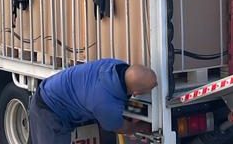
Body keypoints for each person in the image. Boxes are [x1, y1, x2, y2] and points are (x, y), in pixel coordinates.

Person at [28, 58, 158, 143]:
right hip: (48, 110)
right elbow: (122, 128)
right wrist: (143, 127)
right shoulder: (105, 104)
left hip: (56, 93)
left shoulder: (116, 66)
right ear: (136, 93)